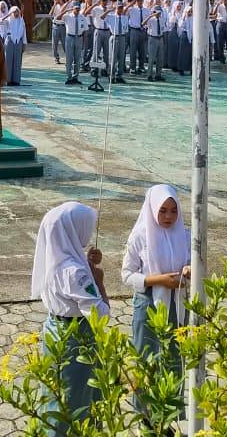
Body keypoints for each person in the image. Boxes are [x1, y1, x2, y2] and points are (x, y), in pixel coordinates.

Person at [31, 202, 110, 437]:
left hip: (54, 330)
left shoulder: (54, 261)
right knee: (77, 402)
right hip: (77, 339)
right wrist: (98, 281)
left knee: (55, 397)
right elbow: (101, 315)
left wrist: (87, 263)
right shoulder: (75, 272)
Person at [122, 184, 191, 413]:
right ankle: (145, 415)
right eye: (162, 211)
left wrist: (189, 270)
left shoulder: (185, 235)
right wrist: (159, 280)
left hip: (176, 304)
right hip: (148, 303)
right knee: (147, 358)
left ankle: (169, 414)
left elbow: (192, 262)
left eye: (173, 210)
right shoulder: (140, 237)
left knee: (173, 358)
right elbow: (127, 275)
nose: (169, 216)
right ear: (152, 209)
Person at [6, 5, 28, 86]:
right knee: (8, 61)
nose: (16, 13)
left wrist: (24, 44)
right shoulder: (8, 20)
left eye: (17, 12)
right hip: (10, 41)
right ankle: (7, 79)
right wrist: (8, 14)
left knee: (17, 62)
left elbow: (24, 33)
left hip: (18, 42)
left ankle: (16, 80)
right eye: (14, 12)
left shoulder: (21, 20)